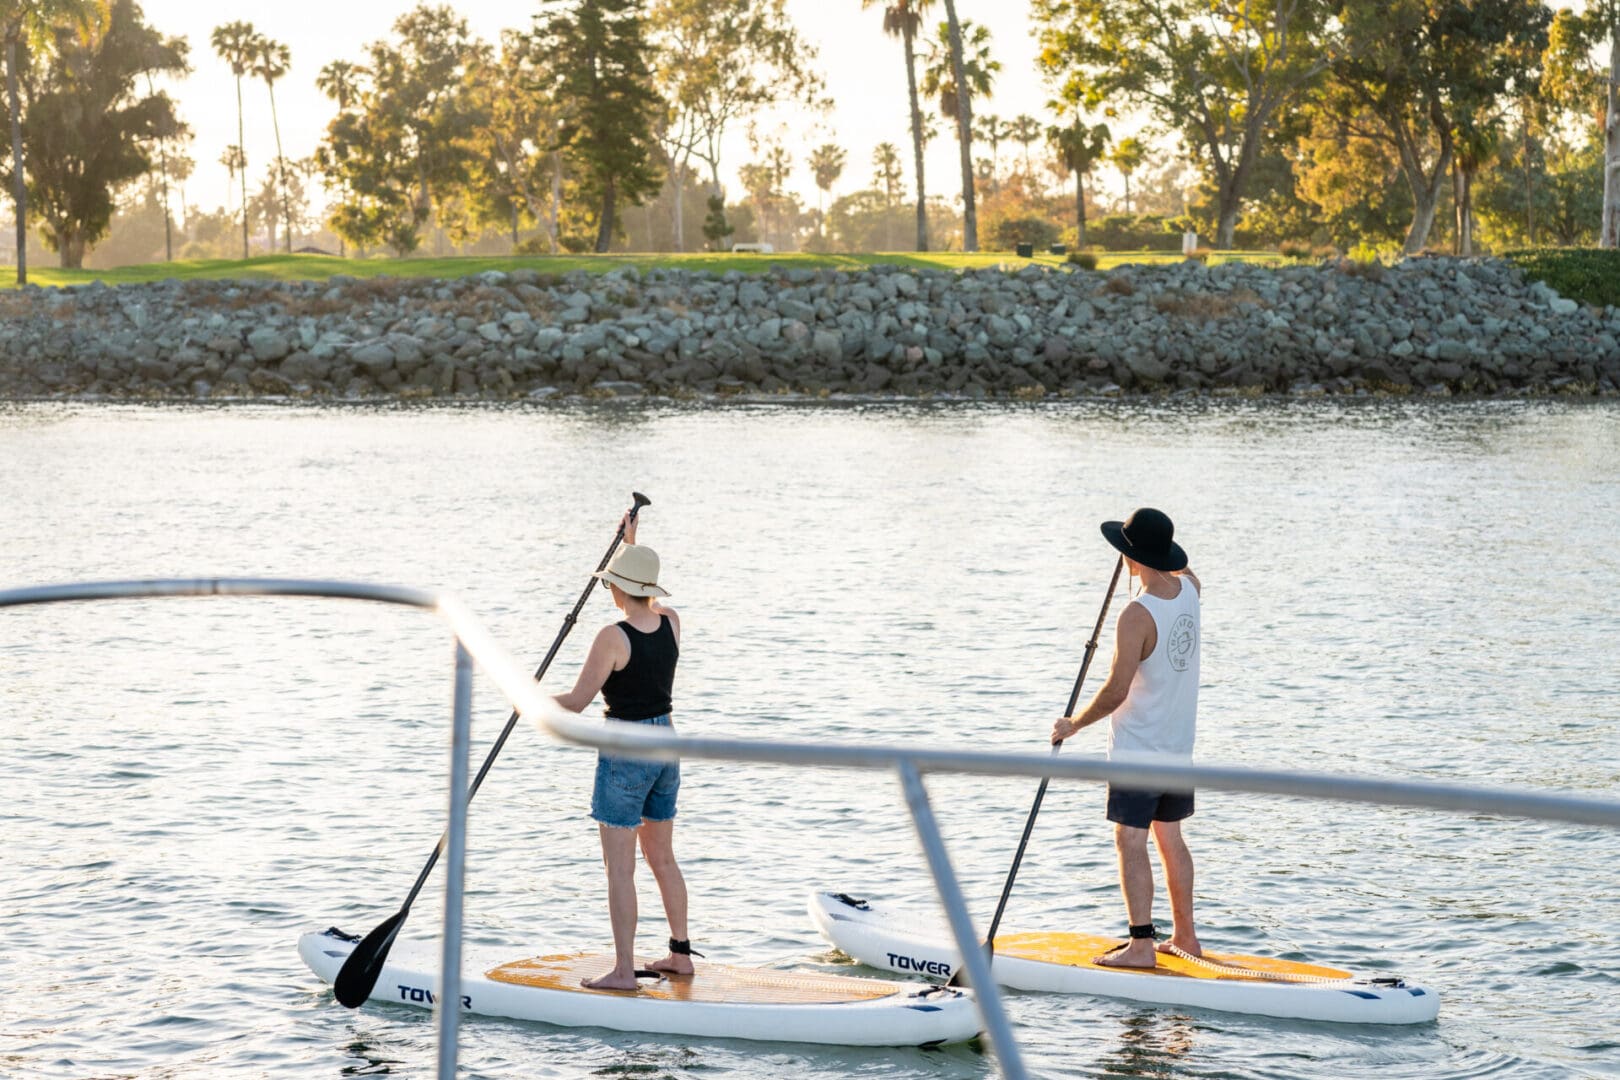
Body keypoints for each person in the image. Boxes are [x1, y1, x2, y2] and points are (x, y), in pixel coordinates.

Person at [1051, 507, 1202, 969]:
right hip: (1178, 748)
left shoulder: (1135, 615)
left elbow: (1117, 691)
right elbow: (1180, 568)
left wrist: (1072, 723)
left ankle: (1141, 946)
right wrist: (1139, 556)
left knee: (1130, 841)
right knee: (1170, 838)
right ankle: (1185, 938)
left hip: (1138, 751)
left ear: (1129, 556)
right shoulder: (1192, 590)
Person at [552, 512, 696, 991]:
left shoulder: (612, 637)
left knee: (620, 866)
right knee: (663, 858)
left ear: (616, 588)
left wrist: (524, 698)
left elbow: (575, 702)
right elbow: (645, 598)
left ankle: (622, 971)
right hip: (665, 744)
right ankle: (680, 955)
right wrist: (633, 546)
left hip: (625, 748)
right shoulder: (672, 622)